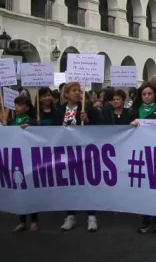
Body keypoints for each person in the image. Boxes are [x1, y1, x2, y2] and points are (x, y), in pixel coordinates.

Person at [53, 82, 103, 232]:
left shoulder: (89, 109)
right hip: (66, 152)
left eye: (79, 90)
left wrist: (87, 121)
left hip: (85, 151)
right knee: (69, 184)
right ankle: (70, 215)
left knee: (87, 183)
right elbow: (52, 129)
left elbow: (102, 127)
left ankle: (91, 215)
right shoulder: (59, 110)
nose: (77, 93)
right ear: (66, 94)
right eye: (74, 90)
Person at [129, 82, 156, 234]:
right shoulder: (134, 110)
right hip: (140, 153)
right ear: (140, 96)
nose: (147, 97)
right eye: (144, 94)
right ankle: (146, 219)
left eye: (150, 94)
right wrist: (131, 126)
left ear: (155, 95)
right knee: (144, 187)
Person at [11, 95, 39, 232]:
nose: (16, 107)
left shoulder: (32, 120)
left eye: (20, 105)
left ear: (27, 107)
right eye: (15, 104)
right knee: (19, 191)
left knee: (31, 189)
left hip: (29, 158)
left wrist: (31, 126)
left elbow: (39, 133)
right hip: (16, 159)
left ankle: (34, 220)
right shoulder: (12, 120)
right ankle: (22, 221)